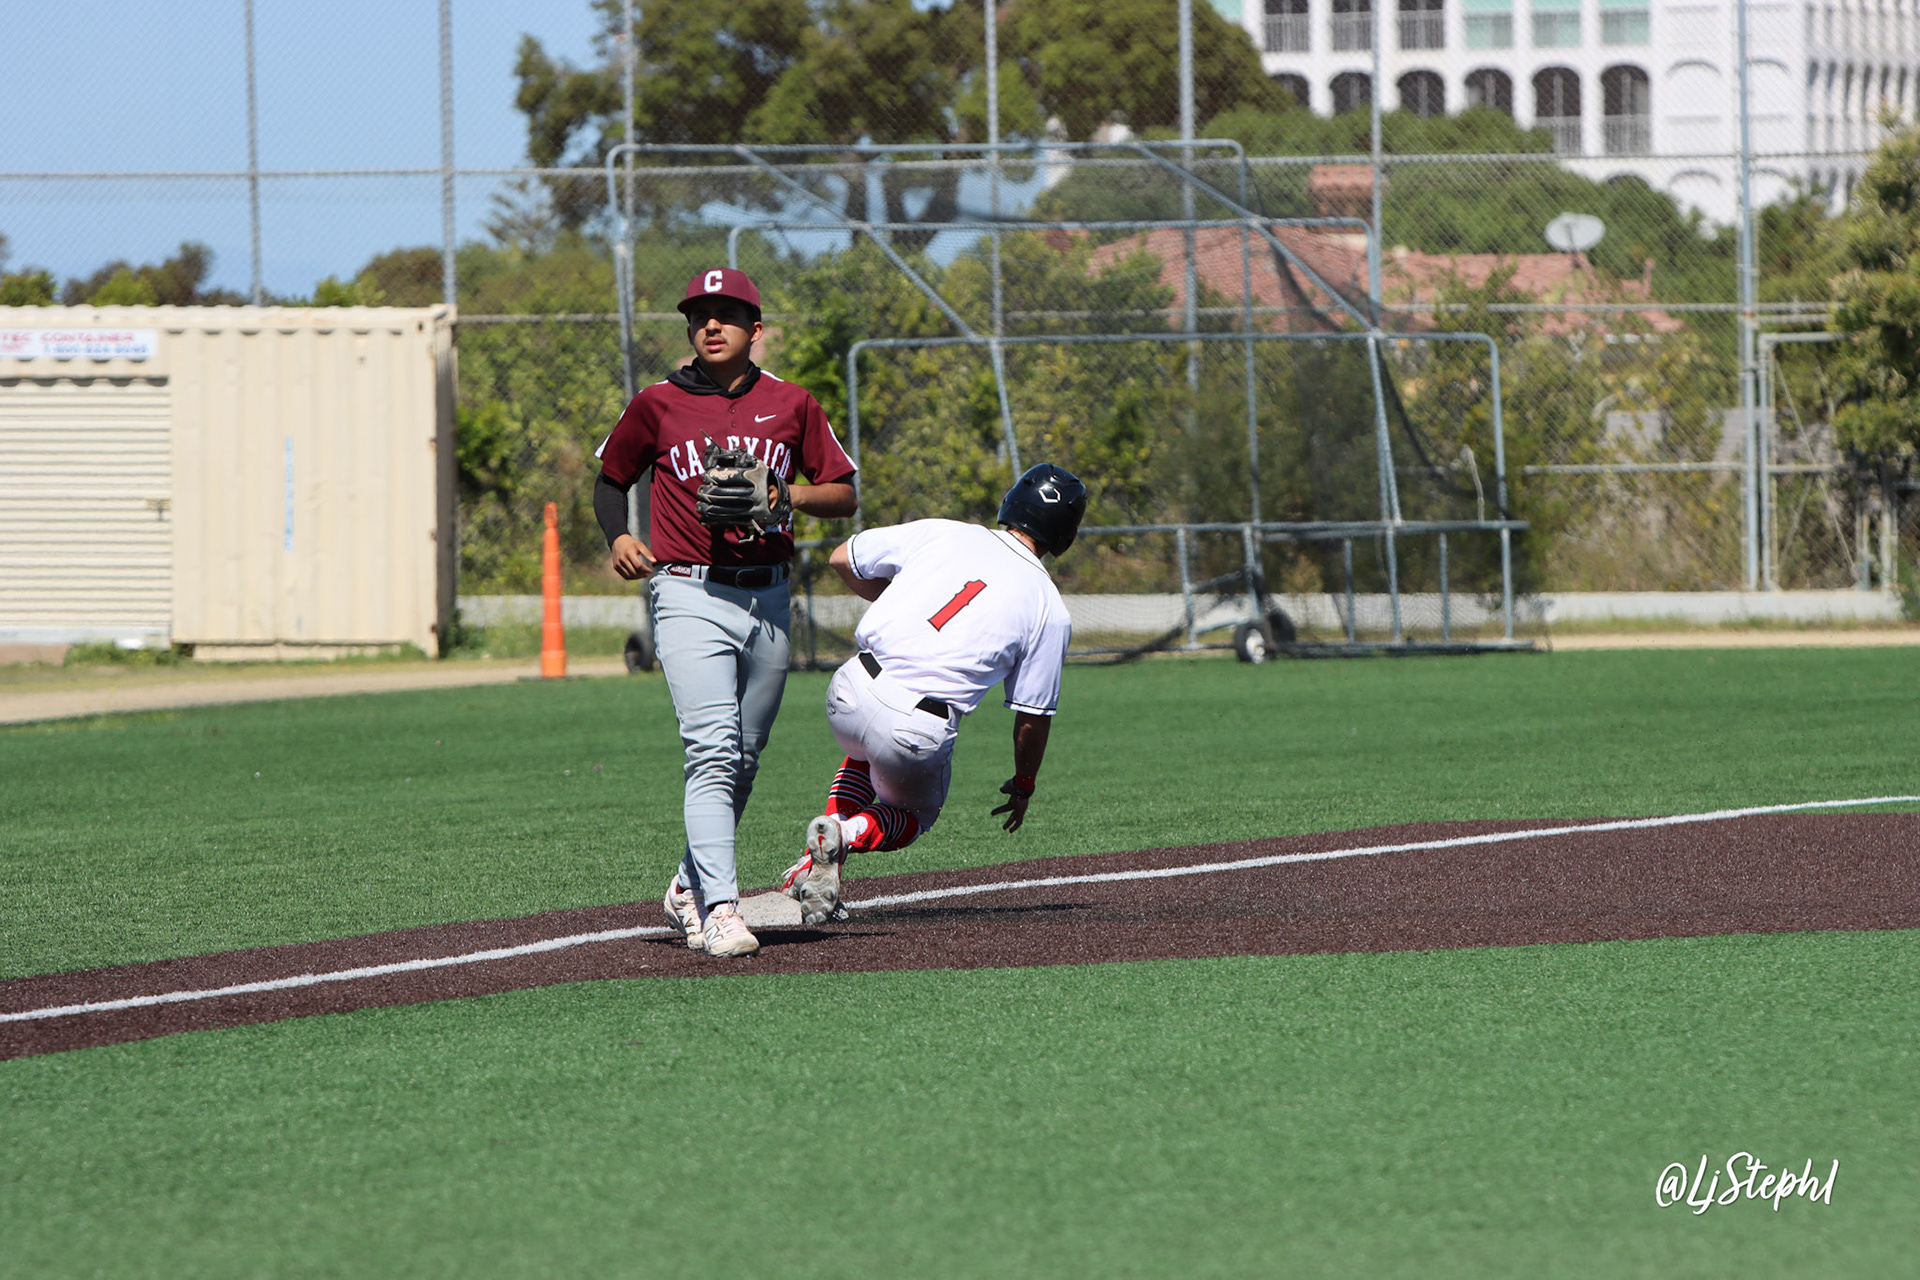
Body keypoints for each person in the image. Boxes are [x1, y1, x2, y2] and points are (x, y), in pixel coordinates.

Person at [593, 267, 858, 958]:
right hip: (688, 592)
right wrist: (619, 536)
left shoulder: (793, 403)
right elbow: (610, 479)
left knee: (744, 755)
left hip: (768, 596)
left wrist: (787, 493)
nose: (711, 325)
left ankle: (687, 885)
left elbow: (843, 492)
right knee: (712, 749)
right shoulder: (656, 403)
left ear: (755, 329)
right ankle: (720, 911)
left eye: (728, 315)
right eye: (700, 316)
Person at [779, 464, 1087, 924]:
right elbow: (1032, 716)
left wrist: (900, 602)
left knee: (863, 753)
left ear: (1012, 501)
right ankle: (846, 834)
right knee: (913, 815)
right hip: (915, 726)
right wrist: (1024, 783)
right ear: (1065, 532)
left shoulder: (946, 531)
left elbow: (843, 558)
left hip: (850, 688)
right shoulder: (1049, 606)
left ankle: (815, 870)